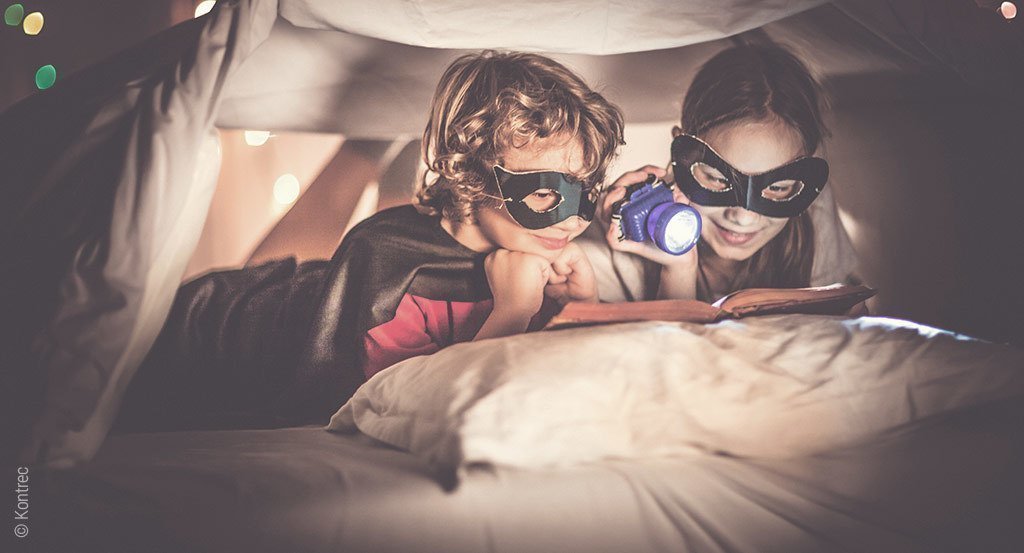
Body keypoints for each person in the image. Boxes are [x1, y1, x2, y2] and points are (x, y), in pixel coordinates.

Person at [117, 51, 624, 430]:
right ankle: (367, 152)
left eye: (588, 191)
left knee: (339, 255)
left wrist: (581, 309)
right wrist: (512, 311)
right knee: (350, 252)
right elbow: (422, 408)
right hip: (216, 329)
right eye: (544, 194)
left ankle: (387, 172)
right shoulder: (390, 275)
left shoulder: (534, 257)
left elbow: (553, 377)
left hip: (327, 278)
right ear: (472, 175)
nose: (576, 221)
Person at [578, 43, 859, 303]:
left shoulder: (810, 217)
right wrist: (679, 267)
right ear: (680, 153)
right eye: (716, 178)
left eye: (777, 187)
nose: (742, 217)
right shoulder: (624, 235)